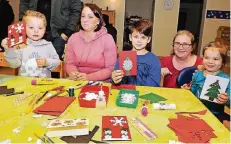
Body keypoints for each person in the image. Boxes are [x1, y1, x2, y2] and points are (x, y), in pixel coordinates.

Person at [65, 3, 117, 81]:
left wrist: (88, 77)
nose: (85, 20)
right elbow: (69, 64)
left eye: (90, 17)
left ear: (98, 21)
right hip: (77, 81)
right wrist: (73, 73)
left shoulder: (107, 39)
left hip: (100, 83)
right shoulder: (73, 38)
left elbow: (110, 69)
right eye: (83, 16)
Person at [1, 10, 60, 78]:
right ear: (24, 29)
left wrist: (46, 62)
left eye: (40, 28)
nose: (36, 31)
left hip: (44, 85)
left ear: (44, 30)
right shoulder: (20, 45)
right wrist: (9, 49)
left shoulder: (48, 45)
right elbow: (14, 65)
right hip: (24, 86)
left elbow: (57, 62)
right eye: (31, 27)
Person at [111, 19, 161, 86]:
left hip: (144, 95)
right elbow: (116, 82)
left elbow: (154, 85)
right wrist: (115, 79)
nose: (139, 41)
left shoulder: (153, 60)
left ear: (148, 39)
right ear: (130, 37)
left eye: (143, 37)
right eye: (136, 37)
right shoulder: (123, 57)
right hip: (125, 94)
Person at [190, 42, 230, 122]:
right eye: (207, 57)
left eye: (215, 59)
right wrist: (188, 89)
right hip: (195, 112)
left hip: (215, 116)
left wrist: (226, 100)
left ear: (223, 62)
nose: (210, 61)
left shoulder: (226, 80)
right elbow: (192, 93)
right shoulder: (197, 75)